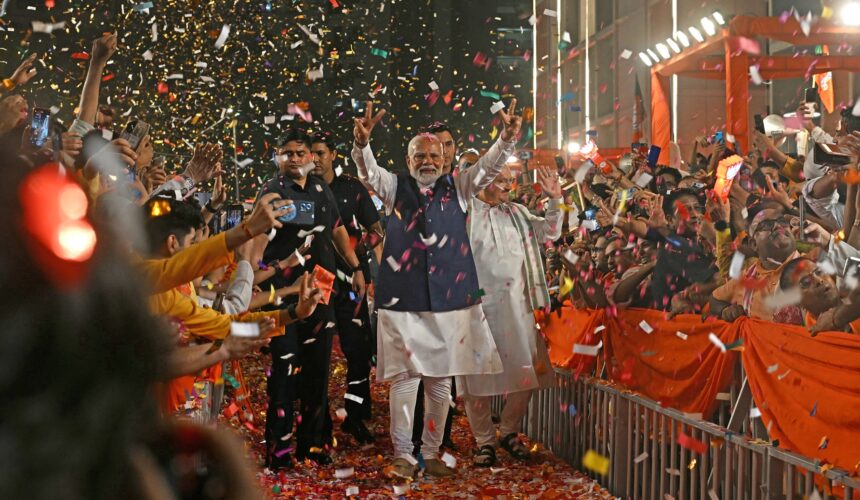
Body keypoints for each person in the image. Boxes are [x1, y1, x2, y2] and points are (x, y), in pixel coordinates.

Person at [350, 99, 522, 479]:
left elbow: (488, 168)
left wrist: (506, 139)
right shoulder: (395, 187)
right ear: (408, 159)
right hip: (403, 301)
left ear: (445, 158)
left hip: (450, 301)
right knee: (406, 381)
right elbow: (369, 173)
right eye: (419, 156)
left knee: (441, 384)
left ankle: (429, 453)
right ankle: (402, 455)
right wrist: (362, 146)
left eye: (434, 155)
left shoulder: (460, 187)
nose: (427, 161)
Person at [259, 127, 366, 468]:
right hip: (284, 296)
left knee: (318, 369)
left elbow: (336, 228)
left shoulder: (321, 188)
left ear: (310, 157)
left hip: (322, 291)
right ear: (277, 158)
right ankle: (278, 449)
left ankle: (313, 444)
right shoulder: (272, 190)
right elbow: (260, 237)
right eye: (287, 153)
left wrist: (356, 266)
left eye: (301, 153)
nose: (295, 158)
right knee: (285, 368)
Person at [458, 163, 563, 467]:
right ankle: (484, 442)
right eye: (501, 180)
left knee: (525, 374)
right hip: (474, 309)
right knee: (475, 379)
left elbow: (551, 232)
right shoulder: (466, 212)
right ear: (483, 180)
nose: (508, 186)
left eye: (510, 180)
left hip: (517, 308)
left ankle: (508, 431)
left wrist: (555, 200)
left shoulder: (517, 213)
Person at [310, 131, 382, 444]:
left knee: (358, 350)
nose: (314, 159)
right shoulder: (301, 190)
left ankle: (355, 414)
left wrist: (363, 256)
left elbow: (375, 229)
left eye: (320, 153)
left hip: (353, 279)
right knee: (317, 350)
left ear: (333, 156)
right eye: (309, 153)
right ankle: (318, 419)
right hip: (316, 281)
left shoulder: (352, 188)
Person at [710, 211, 801, 323]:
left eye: (782, 222)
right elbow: (715, 300)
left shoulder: (812, 266)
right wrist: (725, 311)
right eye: (767, 224)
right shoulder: (745, 277)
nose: (778, 226)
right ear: (753, 244)